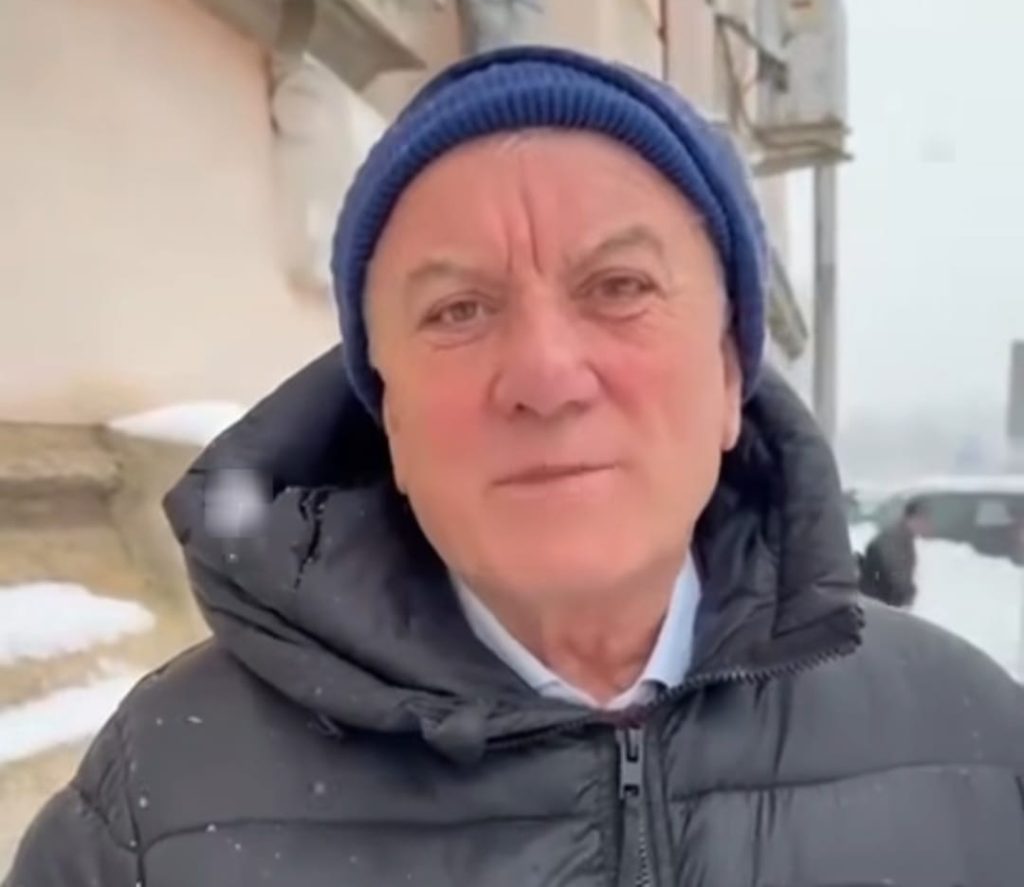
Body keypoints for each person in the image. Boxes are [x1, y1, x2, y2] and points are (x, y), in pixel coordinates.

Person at [7, 47, 1024, 887]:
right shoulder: (157, 806)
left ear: (729, 377)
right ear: (388, 414)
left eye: (618, 286)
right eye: (458, 309)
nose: (545, 375)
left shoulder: (977, 745)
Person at [859, 497, 929, 608]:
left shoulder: (904, 538)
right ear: (911, 518)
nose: (924, 525)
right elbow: (895, 579)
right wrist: (907, 594)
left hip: (880, 602)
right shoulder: (895, 539)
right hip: (878, 605)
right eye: (922, 520)